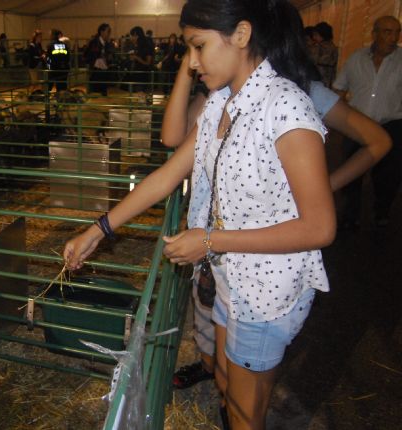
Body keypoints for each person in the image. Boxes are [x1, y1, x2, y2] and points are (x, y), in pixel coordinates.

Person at [65, 1, 338, 428]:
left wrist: (209, 241)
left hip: (267, 288)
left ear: (242, 35)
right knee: (228, 382)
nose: (191, 63)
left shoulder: (286, 108)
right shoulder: (221, 103)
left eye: (198, 46)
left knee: (247, 411)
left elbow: (320, 227)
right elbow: (168, 175)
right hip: (232, 277)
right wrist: (99, 229)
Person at [164, 6, 391, 405]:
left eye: (200, 44)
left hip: (257, 263)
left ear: (247, 34)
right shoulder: (229, 93)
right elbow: (175, 141)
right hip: (219, 249)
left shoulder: (293, 96)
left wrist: (324, 185)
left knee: (245, 392)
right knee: (226, 370)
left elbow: (377, 142)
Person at [333, 16, 401, 229]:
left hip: (392, 124)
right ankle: (350, 215)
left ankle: (382, 210)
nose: (392, 37)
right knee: (352, 171)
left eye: (396, 32)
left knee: (389, 174)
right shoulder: (356, 58)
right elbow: (339, 88)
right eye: (387, 32)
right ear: (374, 33)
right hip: (357, 124)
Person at [85, 23, 112, 96]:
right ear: (101, 32)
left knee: (103, 91)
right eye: (108, 31)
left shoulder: (106, 43)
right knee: (95, 93)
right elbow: (88, 55)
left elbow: (110, 55)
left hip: (104, 71)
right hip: (95, 71)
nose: (109, 33)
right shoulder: (94, 42)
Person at [128, 26, 154, 93]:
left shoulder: (147, 46)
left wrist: (136, 58)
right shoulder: (137, 46)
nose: (132, 38)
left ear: (138, 36)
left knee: (143, 96)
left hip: (143, 75)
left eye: (134, 36)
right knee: (139, 95)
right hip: (137, 75)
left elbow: (148, 62)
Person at [312, 22, 338, 87]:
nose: (314, 37)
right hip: (328, 80)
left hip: (321, 80)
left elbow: (313, 59)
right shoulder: (333, 47)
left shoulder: (321, 47)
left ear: (323, 34)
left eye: (316, 35)